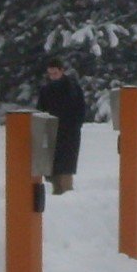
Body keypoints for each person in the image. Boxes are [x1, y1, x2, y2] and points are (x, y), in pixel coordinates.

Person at [35, 58, 89, 196]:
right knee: (53, 169)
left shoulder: (72, 87)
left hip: (69, 133)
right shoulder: (46, 89)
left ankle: (66, 195)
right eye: (50, 74)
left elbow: (80, 109)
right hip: (52, 133)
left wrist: (75, 125)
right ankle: (57, 194)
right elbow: (41, 110)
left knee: (66, 169)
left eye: (55, 73)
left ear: (62, 71)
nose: (52, 76)